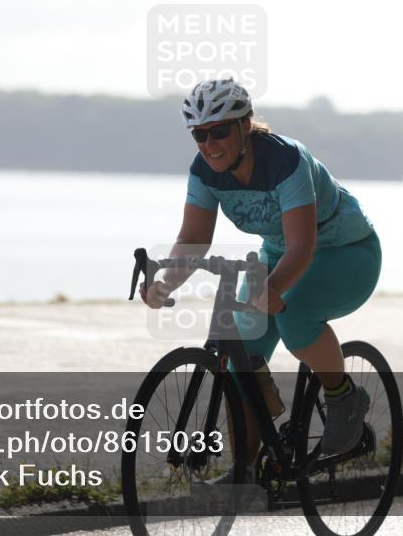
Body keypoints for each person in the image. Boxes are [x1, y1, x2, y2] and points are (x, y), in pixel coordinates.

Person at [140, 78, 382, 484]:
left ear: (244, 125)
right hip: (279, 253)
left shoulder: (285, 160)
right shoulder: (204, 171)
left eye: (219, 131)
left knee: (295, 318)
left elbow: (303, 246)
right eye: (199, 134)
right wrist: (166, 283)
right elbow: (193, 240)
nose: (209, 143)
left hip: (346, 252)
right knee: (240, 359)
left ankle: (344, 397)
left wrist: (273, 289)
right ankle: (246, 473)